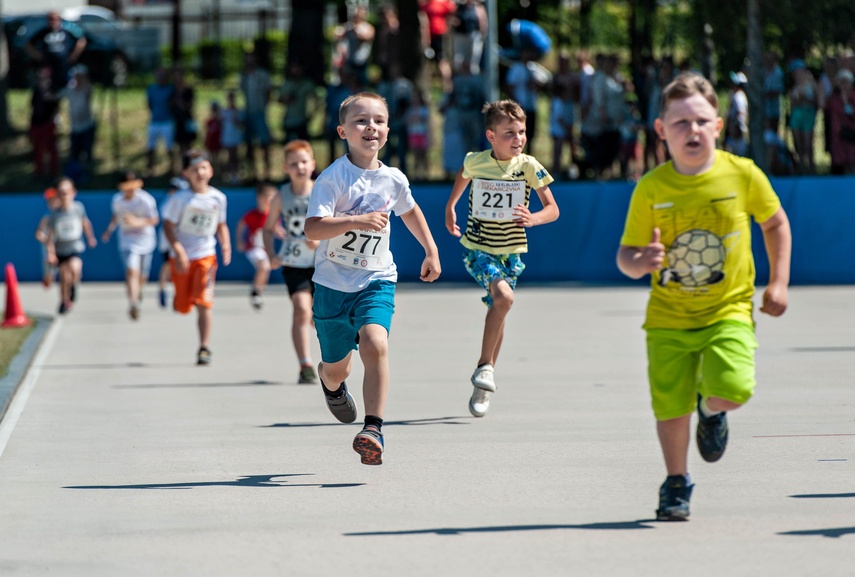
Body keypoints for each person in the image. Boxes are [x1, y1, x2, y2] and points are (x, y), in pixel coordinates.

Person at [616, 72, 791, 522]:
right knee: (670, 406)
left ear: (717, 126)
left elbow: (775, 224)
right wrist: (642, 261)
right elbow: (626, 257)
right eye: (680, 123)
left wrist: (778, 282)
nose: (691, 130)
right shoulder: (652, 187)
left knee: (734, 387)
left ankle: (711, 410)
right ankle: (677, 482)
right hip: (668, 318)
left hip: (727, 309)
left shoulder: (742, 174)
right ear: (661, 130)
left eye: (700, 121)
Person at [304, 92, 441, 466]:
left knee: (375, 341)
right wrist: (355, 221)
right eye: (361, 121)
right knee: (337, 368)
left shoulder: (393, 179)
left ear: (387, 130)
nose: (371, 127)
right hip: (332, 287)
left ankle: (373, 429)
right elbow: (313, 228)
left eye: (378, 121)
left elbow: (410, 212)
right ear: (342, 131)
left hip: (376, 279)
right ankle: (329, 382)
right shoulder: (332, 179)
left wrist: (431, 249)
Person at [444, 99, 560, 418]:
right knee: (504, 297)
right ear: (491, 136)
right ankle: (484, 367)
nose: (518, 138)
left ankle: (485, 377)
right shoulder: (476, 161)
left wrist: (534, 218)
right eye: (510, 133)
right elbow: (462, 176)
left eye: (522, 131)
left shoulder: (530, 167)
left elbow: (553, 209)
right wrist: (451, 206)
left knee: (502, 305)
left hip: (511, 252)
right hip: (479, 248)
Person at [162, 150, 231, 365]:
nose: (200, 173)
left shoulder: (218, 198)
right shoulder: (180, 199)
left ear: (210, 170)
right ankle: (179, 298)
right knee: (183, 307)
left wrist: (225, 243)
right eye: (194, 169)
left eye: (203, 168)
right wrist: (179, 251)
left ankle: (204, 347)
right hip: (182, 257)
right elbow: (168, 226)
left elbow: (221, 224)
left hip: (205, 255)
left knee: (204, 302)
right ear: (186, 173)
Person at [263, 139, 320, 384]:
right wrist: (271, 255)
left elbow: (337, 226)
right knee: (300, 310)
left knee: (319, 317)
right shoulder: (280, 196)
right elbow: (267, 229)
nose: (300, 167)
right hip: (294, 264)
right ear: (286, 168)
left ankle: (334, 355)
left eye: (304, 162)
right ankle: (305, 364)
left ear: (313, 164)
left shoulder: (322, 190)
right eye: (294, 163)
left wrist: (318, 240)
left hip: (323, 264)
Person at [101, 171, 159, 320]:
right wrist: (109, 230)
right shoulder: (117, 200)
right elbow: (116, 216)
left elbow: (154, 219)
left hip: (145, 240)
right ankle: (133, 302)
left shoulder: (146, 199)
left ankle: (138, 291)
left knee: (143, 274)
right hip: (127, 240)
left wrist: (137, 222)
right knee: (132, 271)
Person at [44, 177, 97, 314]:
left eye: (67, 192)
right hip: (60, 248)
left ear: (73, 193)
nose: (64, 196)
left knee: (75, 268)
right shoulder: (55, 214)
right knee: (63, 276)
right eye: (61, 193)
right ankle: (63, 300)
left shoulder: (78, 208)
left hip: (74, 246)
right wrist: (50, 253)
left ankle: (74, 286)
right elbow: (50, 235)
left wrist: (90, 237)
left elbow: (85, 223)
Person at [24, 10, 86, 92]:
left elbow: (81, 41)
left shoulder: (66, 31)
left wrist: (73, 56)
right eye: (51, 19)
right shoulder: (44, 32)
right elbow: (27, 44)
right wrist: (37, 55)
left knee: (67, 87)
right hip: (49, 66)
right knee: (48, 89)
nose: (53, 22)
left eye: (55, 19)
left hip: (64, 65)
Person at [236, 184, 276, 309]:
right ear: (261, 199)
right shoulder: (252, 214)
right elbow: (240, 226)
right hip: (253, 248)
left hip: (266, 249)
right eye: (270, 198)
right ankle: (255, 292)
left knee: (265, 270)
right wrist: (239, 241)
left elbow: (276, 229)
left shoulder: (272, 216)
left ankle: (257, 292)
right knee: (263, 266)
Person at [240, 53, 273, 181]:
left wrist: (265, 107)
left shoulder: (262, 74)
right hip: (248, 112)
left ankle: (267, 173)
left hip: (260, 112)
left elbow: (268, 91)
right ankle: (252, 173)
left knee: (264, 143)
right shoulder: (244, 76)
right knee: (249, 144)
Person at [30, 65, 61, 181]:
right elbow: (33, 106)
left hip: (48, 123)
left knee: (51, 149)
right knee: (38, 149)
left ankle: (53, 173)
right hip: (37, 123)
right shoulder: (36, 90)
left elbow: (56, 106)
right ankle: (39, 172)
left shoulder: (53, 89)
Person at [64, 65, 96, 179]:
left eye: (80, 77)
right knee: (74, 153)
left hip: (87, 126)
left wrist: (84, 80)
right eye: (76, 76)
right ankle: (74, 175)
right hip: (75, 127)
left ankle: (86, 174)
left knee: (86, 152)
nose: (77, 79)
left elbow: (88, 90)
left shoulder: (87, 88)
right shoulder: (70, 88)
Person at [157, 177, 184, 308]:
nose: (174, 191)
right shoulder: (168, 203)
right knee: (167, 264)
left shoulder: (185, 200)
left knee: (180, 266)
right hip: (168, 240)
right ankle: (163, 289)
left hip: (182, 240)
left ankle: (178, 293)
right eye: (172, 189)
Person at [787, 62, 818, 174]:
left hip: (808, 114)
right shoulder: (793, 85)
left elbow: (816, 101)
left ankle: (811, 168)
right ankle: (801, 168)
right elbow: (792, 104)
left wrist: (806, 99)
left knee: (808, 143)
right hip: (796, 115)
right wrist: (799, 99)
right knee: (798, 143)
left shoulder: (811, 83)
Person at [145, 68, 176, 176]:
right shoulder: (151, 89)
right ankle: (150, 169)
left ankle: (172, 168)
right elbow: (149, 104)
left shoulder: (171, 88)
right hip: (154, 121)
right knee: (150, 147)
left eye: (163, 76)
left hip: (167, 122)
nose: (161, 78)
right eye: (159, 75)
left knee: (169, 147)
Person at [279, 61, 317, 144]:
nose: (295, 70)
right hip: (288, 120)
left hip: (301, 120)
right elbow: (280, 100)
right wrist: (287, 99)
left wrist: (311, 115)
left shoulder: (307, 84)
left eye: (297, 68)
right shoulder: (286, 84)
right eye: (293, 68)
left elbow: (315, 100)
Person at [826, 68, 855, 175]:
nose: (844, 85)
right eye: (842, 82)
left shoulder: (854, 96)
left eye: (847, 82)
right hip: (838, 135)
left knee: (852, 159)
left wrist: (846, 101)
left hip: (852, 134)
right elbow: (825, 107)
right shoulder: (833, 98)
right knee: (839, 160)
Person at [34, 187, 61, 289]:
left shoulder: (63, 215)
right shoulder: (47, 217)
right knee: (50, 273)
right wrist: (46, 239)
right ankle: (48, 278)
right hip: (48, 248)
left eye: (54, 200)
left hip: (61, 246)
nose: (53, 203)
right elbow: (38, 233)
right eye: (50, 201)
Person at [220, 91, 243, 185]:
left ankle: (236, 174)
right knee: (229, 156)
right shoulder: (224, 112)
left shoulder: (239, 111)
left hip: (235, 136)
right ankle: (229, 174)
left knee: (235, 155)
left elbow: (241, 124)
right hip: (227, 136)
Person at [724, 71, 749, 157]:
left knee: (738, 152)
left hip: (737, 128)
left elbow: (740, 112)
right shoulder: (734, 94)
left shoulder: (739, 96)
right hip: (733, 128)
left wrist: (734, 125)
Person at [203, 101, 223, 173]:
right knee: (210, 158)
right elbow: (206, 133)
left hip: (218, 142)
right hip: (211, 142)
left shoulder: (220, 121)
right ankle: (211, 172)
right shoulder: (209, 121)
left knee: (218, 158)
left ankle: (219, 172)